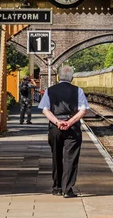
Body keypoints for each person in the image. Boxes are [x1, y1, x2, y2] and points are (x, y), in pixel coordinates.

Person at [38, 66, 89, 198]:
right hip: (72, 128)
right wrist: (69, 122)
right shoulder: (78, 91)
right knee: (70, 158)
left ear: (58, 77)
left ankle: (56, 187)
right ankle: (67, 189)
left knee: (56, 157)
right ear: (72, 78)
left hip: (55, 128)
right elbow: (83, 110)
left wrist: (57, 122)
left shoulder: (49, 91)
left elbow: (45, 110)